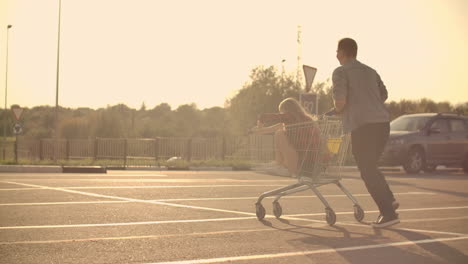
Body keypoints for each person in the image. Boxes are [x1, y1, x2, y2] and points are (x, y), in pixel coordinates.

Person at [331, 38, 399, 228]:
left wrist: (335, 111)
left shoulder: (340, 72)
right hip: (383, 124)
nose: (336, 55)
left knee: (367, 170)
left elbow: (340, 102)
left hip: (363, 126)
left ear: (343, 52)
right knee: (371, 166)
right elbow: (383, 95)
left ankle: (388, 214)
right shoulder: (371, 71)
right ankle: (389, 200)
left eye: (337, 51)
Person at [252, 97, 319, 177]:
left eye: (282, 112)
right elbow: (280, 125)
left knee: (279, 134)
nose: (282, 114)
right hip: (313, 161)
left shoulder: (290, 116)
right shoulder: (307, 119)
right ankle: (279, 164)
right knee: (281, 131)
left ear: (286, 110)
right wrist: (263, 131)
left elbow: (265, 117)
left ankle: (283, 166)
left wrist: (260, 124)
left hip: (301, 161)